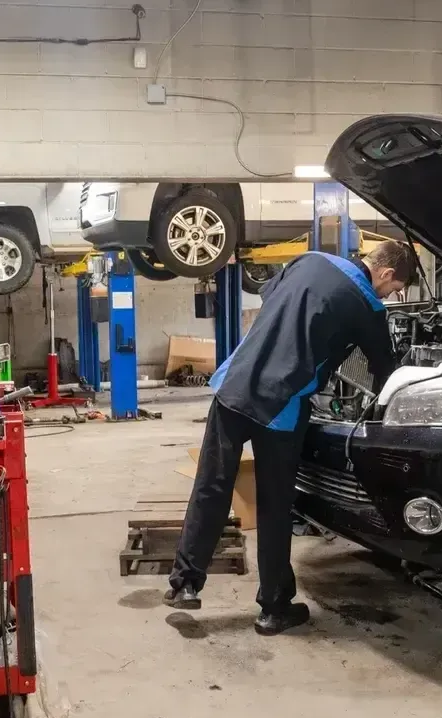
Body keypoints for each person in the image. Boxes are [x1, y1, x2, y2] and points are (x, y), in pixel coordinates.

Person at [166, 240, 419, 634]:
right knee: (274, 506)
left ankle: (185, 583)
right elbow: (385, 369)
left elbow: (274, 306)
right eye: (394, 289)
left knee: (212, 485)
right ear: (386, 274)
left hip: (234, 385)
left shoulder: (308, 260)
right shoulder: (368, 306)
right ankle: (273, 608)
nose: (389, 295)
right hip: (280, 408)